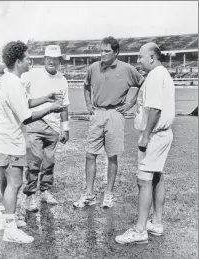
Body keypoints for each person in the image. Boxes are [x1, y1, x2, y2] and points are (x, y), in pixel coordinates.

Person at [0, 41, 66, 244]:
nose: (30, 60)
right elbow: (26, 116)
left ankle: (3, 220)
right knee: (14, 183)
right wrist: (51, 108)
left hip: (1, 138)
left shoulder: (10, 79)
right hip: (9, 140)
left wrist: (46, 98)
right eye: (27, 58)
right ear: (18, 61)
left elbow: (25, 102)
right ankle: (10, 229)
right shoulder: (14, 83)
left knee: (3, 181)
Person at [73, 36, 144, 208]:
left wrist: (129, 104)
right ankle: (89, 194)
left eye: (107, 51)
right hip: (97, 113)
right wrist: (89, 104)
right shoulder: (93, 68)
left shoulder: (127, 69)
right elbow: (86, 85)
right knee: (90, 154)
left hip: (115, 114)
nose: (103, 54)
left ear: (116, 52)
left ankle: (109, 194)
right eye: (101, 51)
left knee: (112, 156)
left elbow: (142, 84)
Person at [115, 42, 175, 244]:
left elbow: (155, 109)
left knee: (144, 180)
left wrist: (146, 136)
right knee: (157, 177)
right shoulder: (158, 74)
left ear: (151, 57)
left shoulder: (156, 76)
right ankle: (156, 223)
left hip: (155, 135)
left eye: (140, 56)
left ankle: (140, 230)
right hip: (162, 134)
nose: (137, 60)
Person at [21, 45, 70, 211]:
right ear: (44, 59)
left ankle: (45, 191)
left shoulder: (62, 79)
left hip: (54, 127)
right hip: (35, 123)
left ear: (59, 60)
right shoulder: (32, 75)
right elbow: (18, 90)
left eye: (55, 58)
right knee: (34, 161)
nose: (52, 61)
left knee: (49, 162)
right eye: (49, 58)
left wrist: (65, 128)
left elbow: (64, 105)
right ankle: (29, 195)